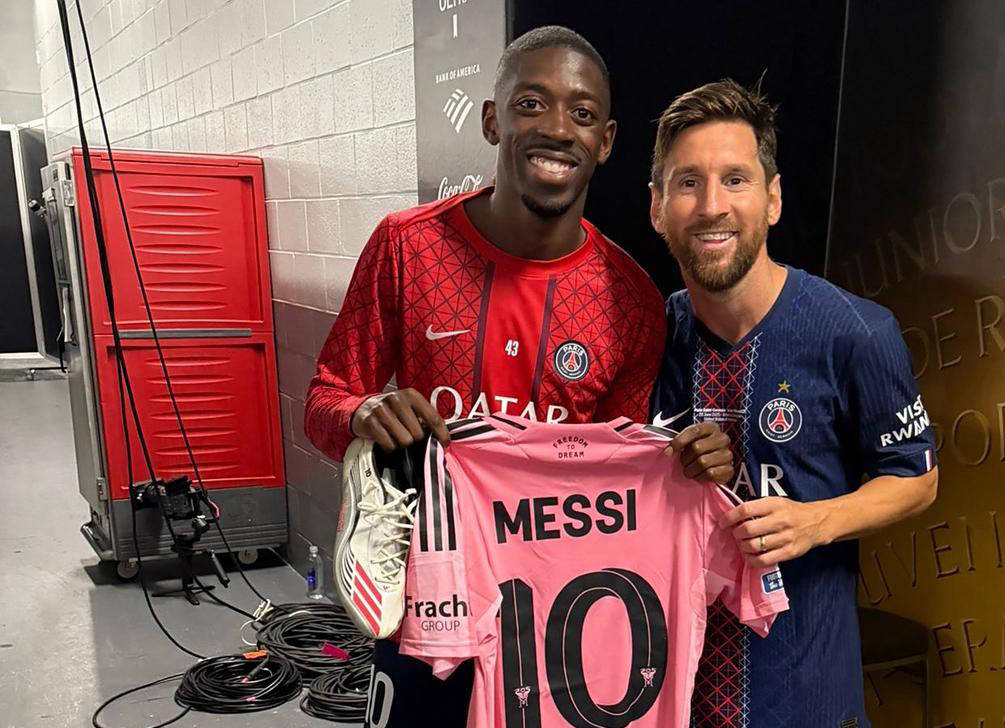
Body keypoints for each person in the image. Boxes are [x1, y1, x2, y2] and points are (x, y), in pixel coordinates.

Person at [303, 26, 733, 728]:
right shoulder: (407, 247)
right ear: (492, 120)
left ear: (606, 141)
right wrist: (362, 416)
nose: (557, 129)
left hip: (546, 625)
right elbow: (324, 399)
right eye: (532, 104)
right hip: (425, 605)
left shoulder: (631, 300)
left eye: (582, 114)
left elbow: (616, 475)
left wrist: (681, 463)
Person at [649, 79, 940, 728]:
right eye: (689, 183)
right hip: (668, 699)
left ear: (773, 199)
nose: (712, 206)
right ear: (658, 207)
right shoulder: (648, 339)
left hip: (807, 697)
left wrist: (816, 522)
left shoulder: (855, 333)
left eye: (736, 180)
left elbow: (917, 479)